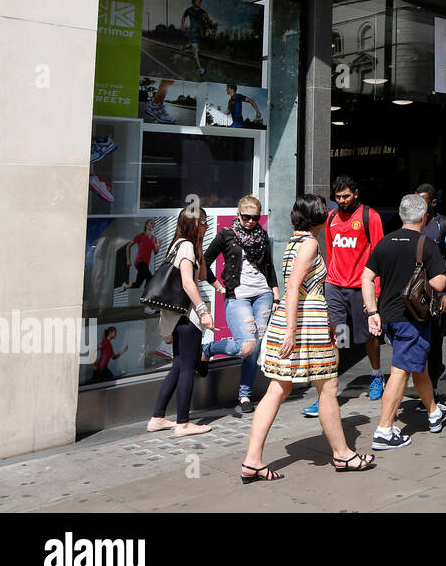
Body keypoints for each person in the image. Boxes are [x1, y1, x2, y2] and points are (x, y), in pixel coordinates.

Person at [243, 194, 374, 480]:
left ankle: (252, 459)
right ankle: (342, 454)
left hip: (300, 321)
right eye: (325, 211)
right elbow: (293, 289)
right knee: (327, 386)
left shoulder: (294, 242)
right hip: (306, 325)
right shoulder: (311, 243)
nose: (329, 214)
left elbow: (297, 290)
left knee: (280, 387)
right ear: (317, 217)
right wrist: (291, 330)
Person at [361, 194, 446, 450]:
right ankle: (384, 430)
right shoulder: (427, 244)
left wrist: (371, 312)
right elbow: (439, 282)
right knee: (400, 370)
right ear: (424, 217)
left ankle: (433, 412)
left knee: (416, 364)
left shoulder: (385, 243)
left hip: (388, 316)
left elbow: (366, 277)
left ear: (401, 215)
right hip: (412, 318)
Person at [308, 174, 385, 416]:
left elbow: (378, 255)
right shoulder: (330, 218)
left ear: (356, 193)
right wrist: (328, 279)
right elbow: (330, 251)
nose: (341, 201)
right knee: (335, 336)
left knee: (367, 337)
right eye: (338, 197)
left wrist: (375, 292)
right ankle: (327, 395)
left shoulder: (369, 216)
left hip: (361, 287)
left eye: (346, 196)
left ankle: (376, 375)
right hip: (334, 287)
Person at [202, 195, 280, 415]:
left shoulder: (262, 235)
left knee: (254, 348)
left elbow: (269, 266)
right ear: (238, 214)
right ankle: (208, 349)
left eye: (255, 217)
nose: (250, 222)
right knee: (245, 345)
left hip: (263, 294)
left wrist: (276, 295)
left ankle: (244, 395)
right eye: (246, 217)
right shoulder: (226, 235)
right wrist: (218, 287)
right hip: (238, 296)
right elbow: (205, 262)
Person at [147, 204, 216, 437]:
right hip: (187, 316)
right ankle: (183, 423)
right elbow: (189, 283)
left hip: (176, 318)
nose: (207, 227)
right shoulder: (185, 246)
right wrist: (204, 311)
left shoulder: (181, 245)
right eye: (204, 223)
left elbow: (203, 275)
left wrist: (200, 246)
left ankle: (157, 418)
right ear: (194, 223)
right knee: (188, 368)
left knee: (178, 366)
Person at [415, 184, 446, 395]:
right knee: (419, 343)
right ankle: (426, 385)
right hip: (416, 295)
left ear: (433, 202)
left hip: (438, 294)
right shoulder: (412, 224)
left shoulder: (444, 225)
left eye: (423, 202)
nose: (418, 206)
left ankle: (432, 389)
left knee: (434, 343)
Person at [178, 0, 214, 78]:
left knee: (191, 44)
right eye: (198, 1)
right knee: (196, 50)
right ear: (194, 2)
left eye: (200, 1)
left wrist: (209, 22)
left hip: (199, 33)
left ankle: (183, 48)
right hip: (192, 32)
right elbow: (184, 16)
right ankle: (200, 68)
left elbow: (207, 17)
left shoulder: (202, 11)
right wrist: (182, 25)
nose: (199, 3)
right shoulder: (189, 10)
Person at [126, 219, 161, 291]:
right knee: (150, 278)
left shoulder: (154, 239)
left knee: (137, 284)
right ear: (146, 225)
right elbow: (128, 246)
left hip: (146, 264)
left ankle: (125, 287)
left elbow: (156, 252)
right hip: (139, 262)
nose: (153, 225)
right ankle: (146, 297)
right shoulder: (140, 236)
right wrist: (128, 260)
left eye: (154, 224)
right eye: (151, 223)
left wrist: (159, 244)